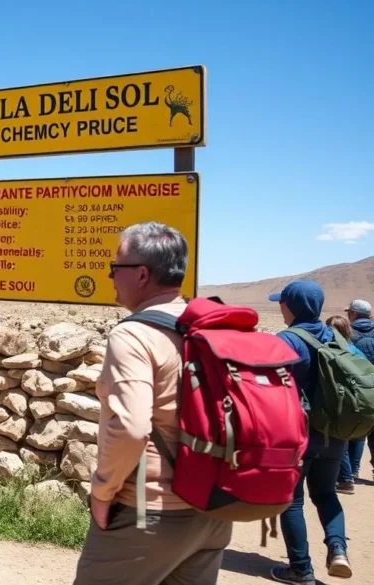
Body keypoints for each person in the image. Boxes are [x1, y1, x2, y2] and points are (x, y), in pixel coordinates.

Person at [73, 222, 233, 585]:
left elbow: (131, 428)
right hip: (214, 510)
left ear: (142, 274)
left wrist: (102, 492)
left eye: (116, 267)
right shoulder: (210, 328)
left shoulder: (134, 334)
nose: (111, 277)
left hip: (148, 514)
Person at [270, 280, 351, 583]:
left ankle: (301, 569)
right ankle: (338, 548)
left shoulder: (286, 341)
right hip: (335, 433)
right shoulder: (337, 337)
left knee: (292, 500)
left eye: (282, 302)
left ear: (289, 306)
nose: (280, 306)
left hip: (299, 435)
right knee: (327, 494)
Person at [328, 314, 370, 494]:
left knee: (340, 439)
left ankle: (346, 479)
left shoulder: (333, 351)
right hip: (359, 401)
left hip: (342, 401)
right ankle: (352, 471)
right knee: (355, 438)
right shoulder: (355, 350)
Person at [345, 299, 374, 480]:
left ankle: (352, 471)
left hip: (359, 391)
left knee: (357, 432)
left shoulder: (349, 336)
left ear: (354, 314)